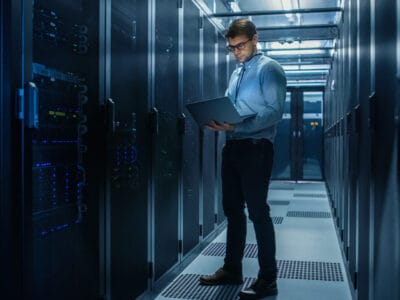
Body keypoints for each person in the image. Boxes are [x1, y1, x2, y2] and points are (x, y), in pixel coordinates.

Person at [199, 19, 287, 299]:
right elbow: (232, 107)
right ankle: (232, 269)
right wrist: (218, 120)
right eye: (231, 48)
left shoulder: (269, 69)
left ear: (255, 39)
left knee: (258, 213)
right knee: (233, 213)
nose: (236, 51)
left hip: (256, 148)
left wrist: (237, 126)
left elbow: (274, 112)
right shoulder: (236, 74)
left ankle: (267, 279)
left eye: (240, 45)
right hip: (233, 147)